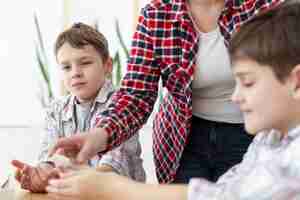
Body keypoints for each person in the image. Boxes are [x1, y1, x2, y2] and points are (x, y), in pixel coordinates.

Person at [46, 1, 300, 199]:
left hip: (250, 130)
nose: (235, 95)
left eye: (247, 81)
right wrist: (99, 133)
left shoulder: (265, 9)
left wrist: (113, 188)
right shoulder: (156, 15)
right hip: (186, 138)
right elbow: (137, 93)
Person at [11, 22, 145, 193]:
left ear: (108, 66)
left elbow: (117, 163)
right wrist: (41, 175)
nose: (75, 72)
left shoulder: (123, 105)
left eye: (85, 63)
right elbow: (49, 156)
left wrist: (84, 183)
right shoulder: (56, 110)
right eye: (66, 67)